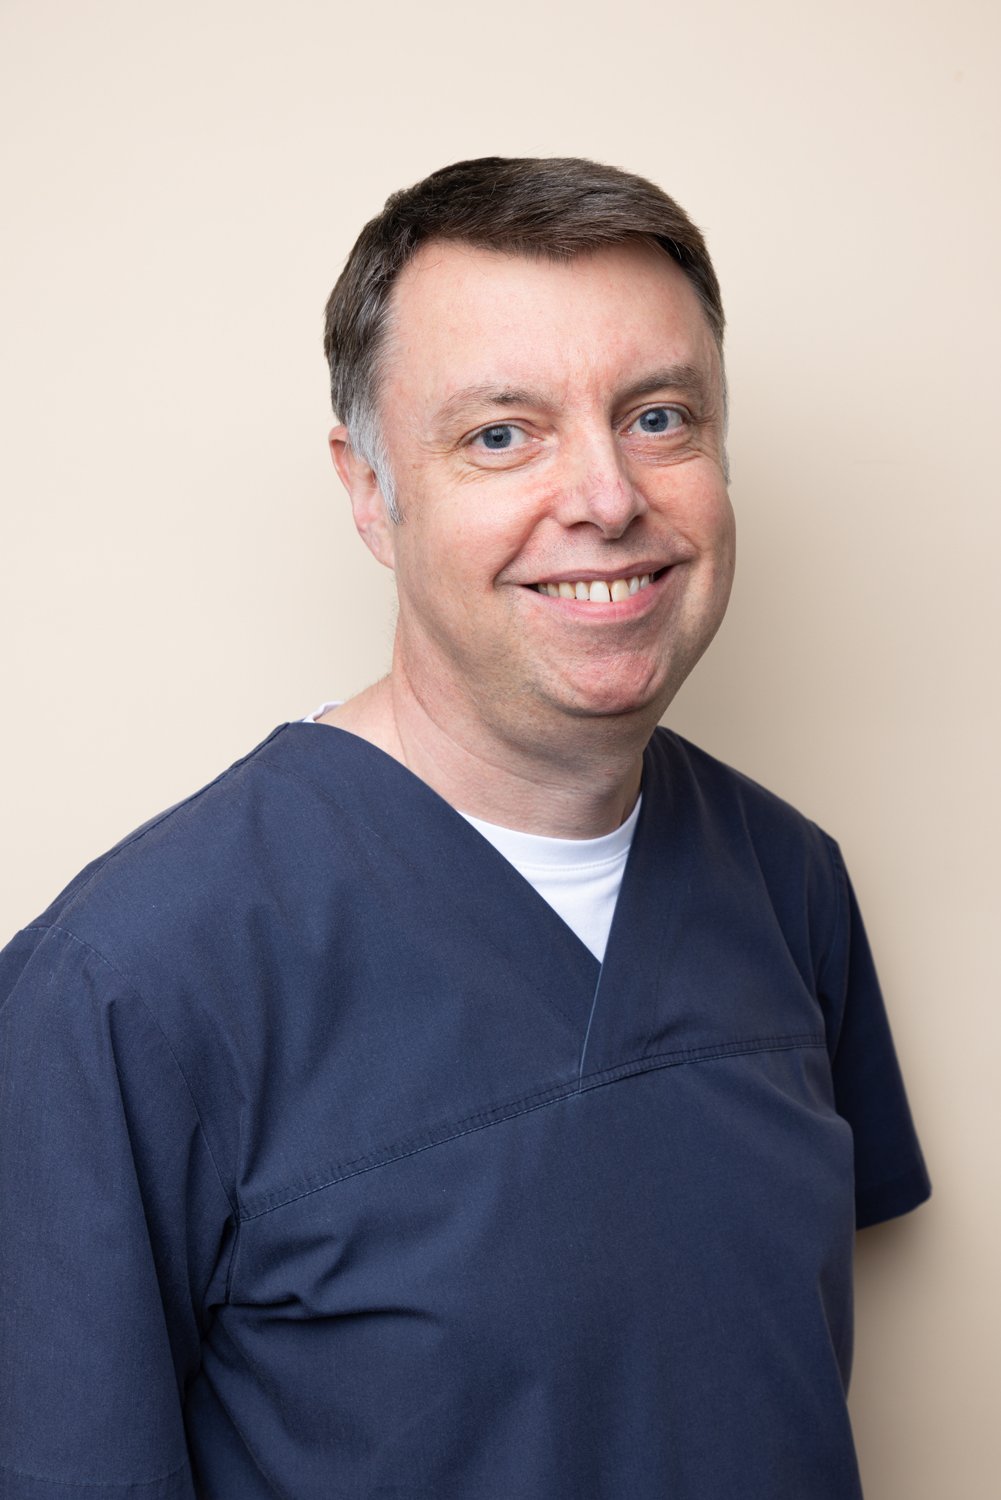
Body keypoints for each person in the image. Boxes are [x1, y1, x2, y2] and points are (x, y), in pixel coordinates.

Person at [0, 157, 931, 1499]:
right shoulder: (124, 986)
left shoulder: (789, 881)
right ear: (369, 490)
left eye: (659, 417)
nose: (607, 497)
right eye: (501, 434)